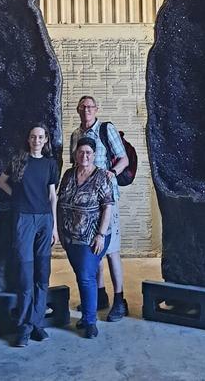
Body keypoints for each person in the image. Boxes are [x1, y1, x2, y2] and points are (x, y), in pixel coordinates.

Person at [0, 125, 59, 347]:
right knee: (25, 276)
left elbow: (53, 196)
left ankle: (36, 324)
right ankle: (23, 327)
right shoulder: (18, 160)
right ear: (28, 138)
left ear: (45, 140)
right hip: (23, 219)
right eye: (33, 136)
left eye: (40, 137)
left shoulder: (50, 164)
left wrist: (54, 227)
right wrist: (17, 197)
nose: (36, 140)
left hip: (44, 220)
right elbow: (1, 182)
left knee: (42, 276)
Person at [69, 95, 129, 322]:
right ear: (77, 110)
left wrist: (109, 174)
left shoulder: (106, 129)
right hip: (84, 203)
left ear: (97, 109)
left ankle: (119, 300)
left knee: (111, 250)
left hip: (106, 200)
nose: (87, 110)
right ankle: (100, 294)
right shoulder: (76, 135)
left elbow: (123, 159)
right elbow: (75, 166)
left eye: (90, 107)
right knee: (91, 248)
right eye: (83, 107)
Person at [58, 137, 113, 338]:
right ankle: (87, 316)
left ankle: (90, 322)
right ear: (75, 155)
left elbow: (108, 206)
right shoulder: (68, 175)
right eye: (81, 152)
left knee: (86, 276)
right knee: (82, 276)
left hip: (92, 238)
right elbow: (60, 203)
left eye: (88, 152)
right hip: (70, 238)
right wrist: (60, 231)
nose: (84, 156)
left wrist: (100, 234)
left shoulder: (100, 177)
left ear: (94, 155)